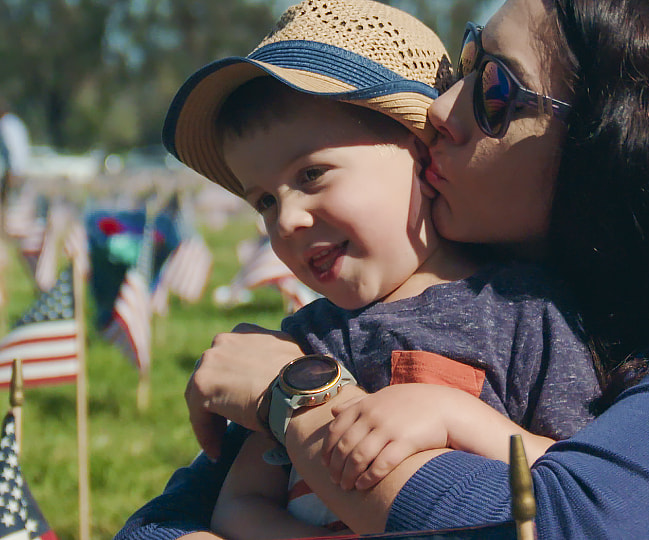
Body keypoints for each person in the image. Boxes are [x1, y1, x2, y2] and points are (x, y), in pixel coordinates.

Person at [121, 0, 649, 538]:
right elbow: (167, 522)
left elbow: (565, 523)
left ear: (621, 141)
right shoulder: (378, 320)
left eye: (497, 87)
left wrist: (296, 396)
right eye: (467, 62)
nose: (440, 106)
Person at [155, 1, 600, 537]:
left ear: (421, 153)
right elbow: (238, 504)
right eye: (265, 202)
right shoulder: (302, 346)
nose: (288, 219)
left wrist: (455, 415)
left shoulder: (528, 315)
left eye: (312, 174)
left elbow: (579, 487)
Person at [0, 109, 32, 208]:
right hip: (20, 167)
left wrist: (9, 168)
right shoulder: (15, 123)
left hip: (13, 168)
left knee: (9, 201)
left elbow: (9, 149)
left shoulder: (4, 125)